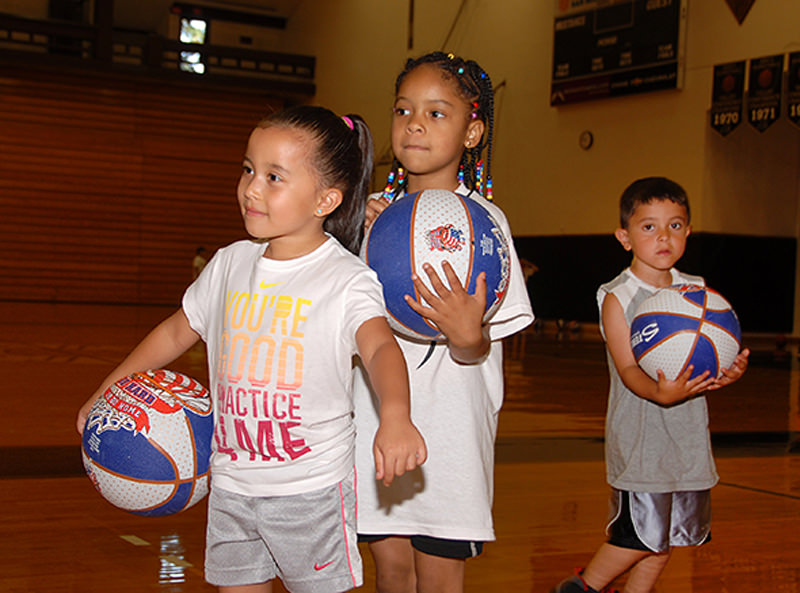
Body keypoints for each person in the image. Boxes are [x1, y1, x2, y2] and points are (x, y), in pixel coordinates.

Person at [76, 105, 427, 593]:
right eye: (247, 170)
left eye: (274, 177)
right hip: (231, 486)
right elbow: (177, 331)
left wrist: (396, 414)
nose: (251, 188)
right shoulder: (227, 264)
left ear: (326, 199)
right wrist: (107, 389)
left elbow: (381, 349)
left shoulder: (345, 279)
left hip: (311, 492)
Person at [353, 51, 534, 593]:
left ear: (472, 131)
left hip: (451, 428)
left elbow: (483, 346)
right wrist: (349, 236)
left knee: (438, 573)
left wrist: (468, 337)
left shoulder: (486, 223)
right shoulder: (366, 218)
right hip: (377, 423)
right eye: (403, 109)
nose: (414, 123)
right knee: (391, 570)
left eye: (436, 113)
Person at [549, 177, 750, 593]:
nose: (664, 237)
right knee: (640, 535)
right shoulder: (617, 296)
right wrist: (659, 393)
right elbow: (627, 368)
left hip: (688, 436)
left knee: (668, 538)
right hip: (641, 436)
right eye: (649, 227)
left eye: (675, 226)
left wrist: (725, 373)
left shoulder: (697, 291)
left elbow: (704, 365)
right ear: (624, 237)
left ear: (689, 231)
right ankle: (583, 587)